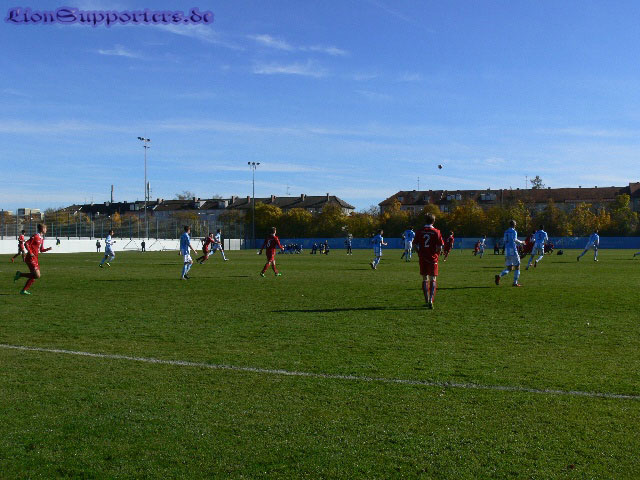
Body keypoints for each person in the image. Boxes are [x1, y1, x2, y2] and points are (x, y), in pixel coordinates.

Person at [414, 214, 444, 309]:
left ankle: (426, 300)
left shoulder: (419, 231)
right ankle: (431, 300)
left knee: (424, 278)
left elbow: (414, 245)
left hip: (423, 257)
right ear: (433, 221)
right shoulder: (436, 232)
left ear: (425, 221)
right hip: (433, 258)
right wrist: (437, 254)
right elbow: (440, 247)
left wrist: (419, 253)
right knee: (433, 279)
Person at [13, 223, 52, 295]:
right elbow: (26, 243)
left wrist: (48, 249)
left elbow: (41, 250)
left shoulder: (41, 238)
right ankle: (20, 275)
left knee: (34, 276)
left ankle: (23, 290)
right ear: (42, 229)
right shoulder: (35, 236)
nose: (46, 230)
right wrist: (30, 252)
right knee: (37, 275)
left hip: (35, 258)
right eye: (45, 228)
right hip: (30, 258)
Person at [495, 220, 524, 287]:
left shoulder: (506, 232)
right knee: (517, 267)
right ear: (514, 225)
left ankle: (499, 276)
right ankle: (515, 283)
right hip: (513, 249)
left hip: (507, 250)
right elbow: (515, 239)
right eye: (515, 224)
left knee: (509, 268)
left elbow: (505, 240)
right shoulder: (514, 231)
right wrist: (521, 242)